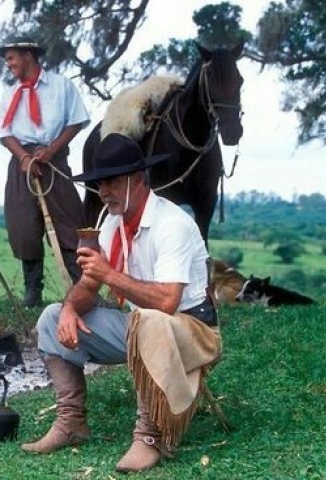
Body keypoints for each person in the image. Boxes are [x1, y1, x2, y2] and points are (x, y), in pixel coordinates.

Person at [21, 133, 222, 473]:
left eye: (112, 182)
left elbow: (168, 301)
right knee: (51, 317)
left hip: (193, 331)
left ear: (139, 180)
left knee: (151, 319)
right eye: (100, 184)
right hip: (144, 329)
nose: (104, 192)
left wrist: (109, 274)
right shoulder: (112, 224)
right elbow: (88, 286)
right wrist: (71, 308)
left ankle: (150, 436)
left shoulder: (171, 224)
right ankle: (71, 424)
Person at [0, 37, 90, 308]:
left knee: (69, 224)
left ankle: (81, 288)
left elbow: (76, 122)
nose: (8, 63)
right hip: (21, 162)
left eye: (11, 57)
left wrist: (50, 151)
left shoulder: (61, 86)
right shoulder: (9, 92)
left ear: (28, 55)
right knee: (23, 225)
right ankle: (32, 292)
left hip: (54, 161)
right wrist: (24, 157)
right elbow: (4, 133)